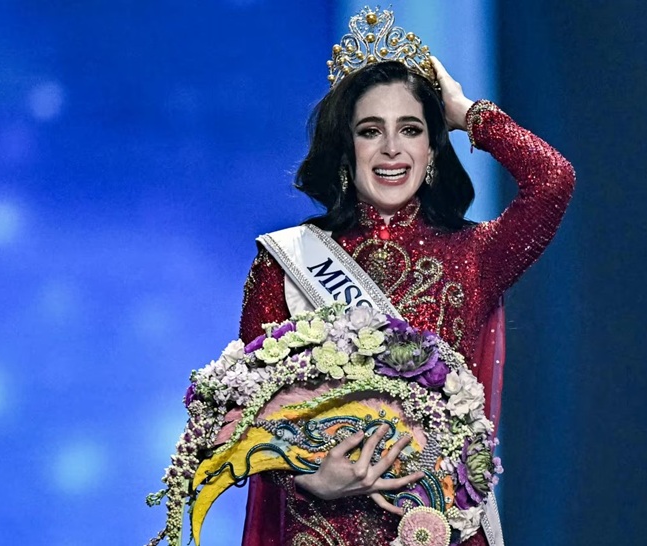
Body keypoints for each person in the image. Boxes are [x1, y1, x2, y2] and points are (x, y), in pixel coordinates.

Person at [236, 9, 574, 545]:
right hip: (323, 527)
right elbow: (248, 406)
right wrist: (308, 475)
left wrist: (467, 113)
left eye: (411, 130)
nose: (392, 148)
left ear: (431, 149)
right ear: (345, 149)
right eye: (371, 131)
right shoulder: (287, 261)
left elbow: (552, 180)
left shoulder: (475, 255)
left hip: (437, 530)